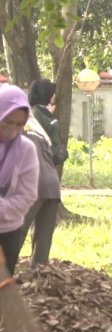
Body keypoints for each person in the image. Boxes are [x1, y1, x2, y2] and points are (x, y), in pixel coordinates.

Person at [0, 85, 39, 275]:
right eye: (8, 121)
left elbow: (27, 196)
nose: (13, 130)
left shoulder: (26, 150)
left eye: (19, 124)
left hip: (7, 233)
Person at [17, 115, 61, 268]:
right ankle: (39, 276)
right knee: (43, 237)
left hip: (33, 187)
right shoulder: (37, 131)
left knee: (16, 232)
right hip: (53, 187)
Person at [29, 78, 68, 166]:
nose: (54, 95)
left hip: (52, 159)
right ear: (45, 94)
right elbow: (39, 135)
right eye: (52, 93)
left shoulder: (45, 110)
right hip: (44, 159)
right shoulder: (36, 112)